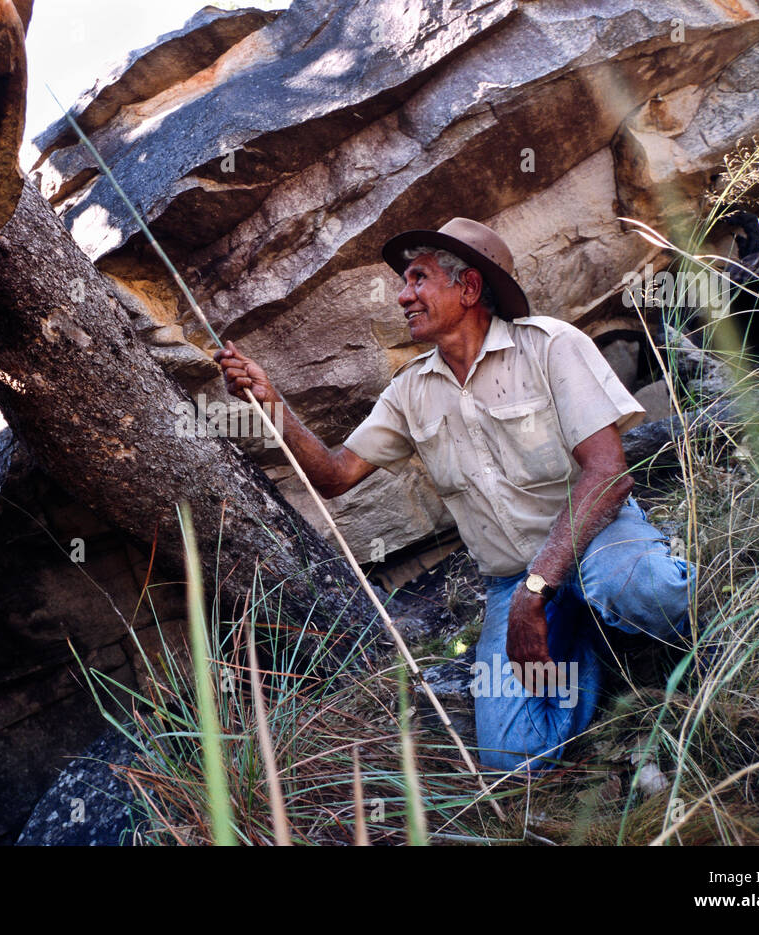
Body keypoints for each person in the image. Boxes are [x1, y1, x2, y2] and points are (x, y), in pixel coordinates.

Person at [214, 217, 697, 771]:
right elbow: (335, 475)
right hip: (510, 581)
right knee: (511, 756)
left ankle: (695, 645)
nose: (402, 295)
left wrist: (535, 591)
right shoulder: (409, 392)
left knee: (648, 590)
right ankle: (590, 649)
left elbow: (608, 473)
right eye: (404, 282)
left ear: (467, 287)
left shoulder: (549, 346)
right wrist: (270, 401)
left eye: (418, 279)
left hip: (595, 541)